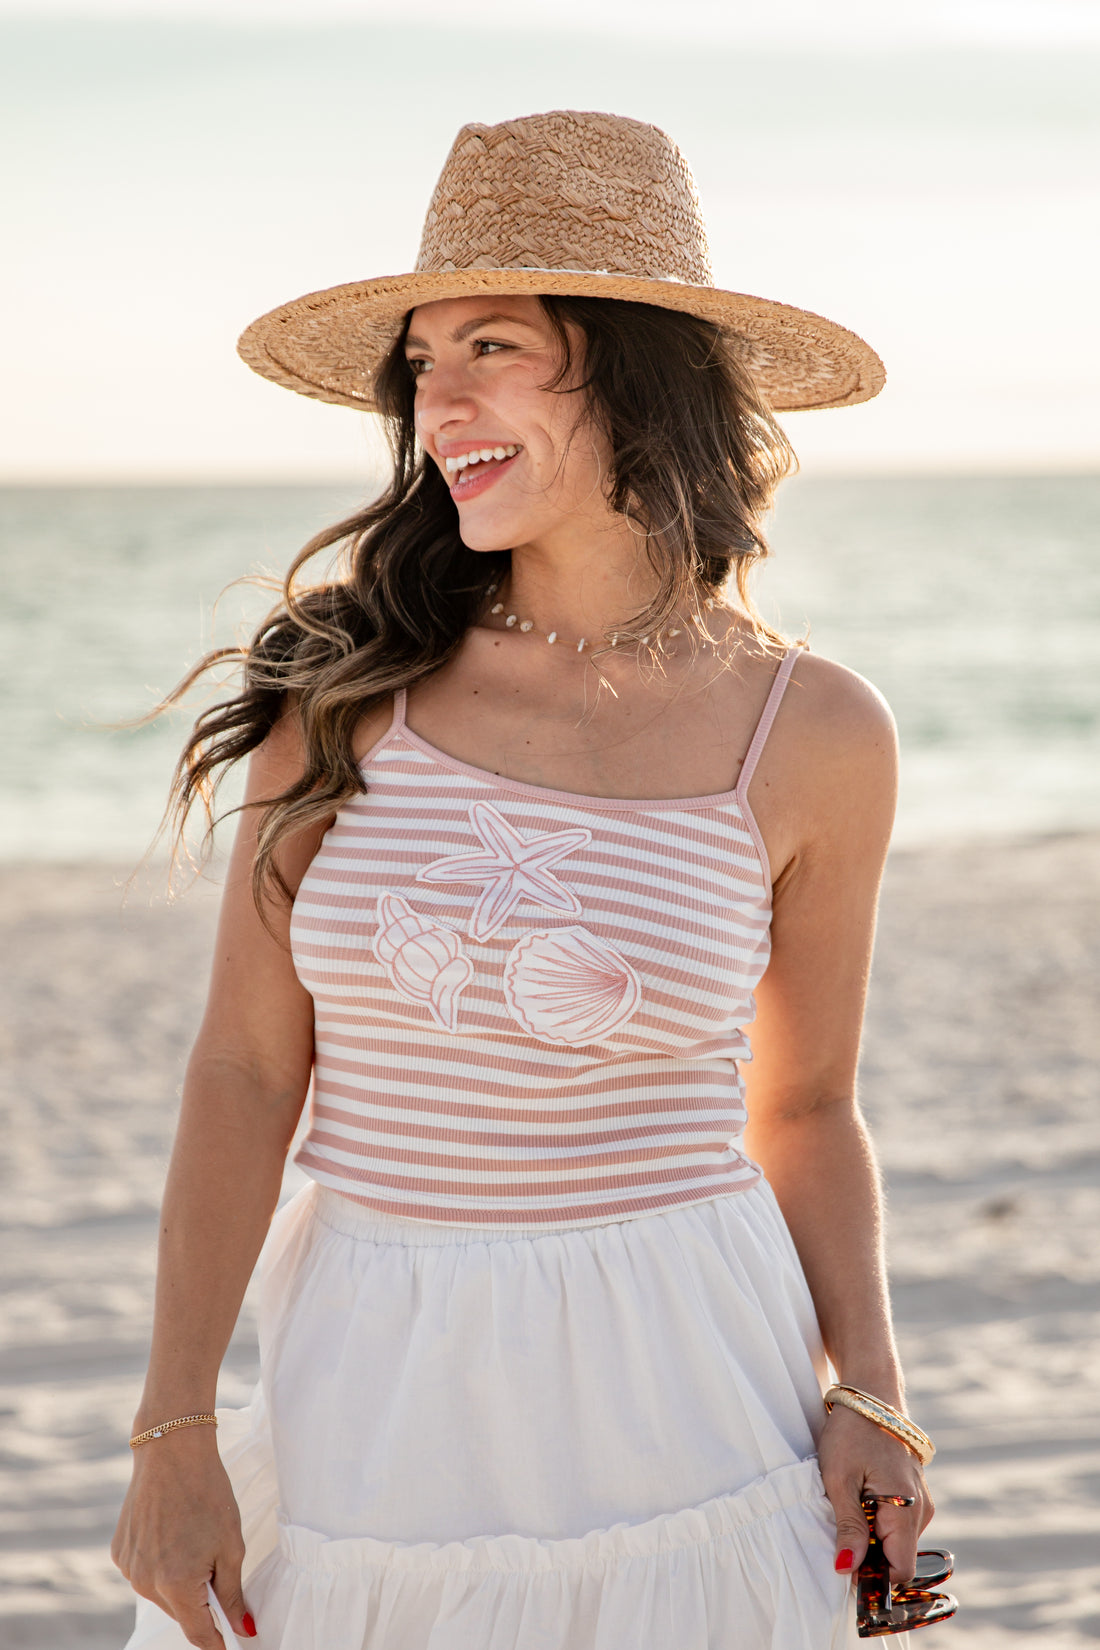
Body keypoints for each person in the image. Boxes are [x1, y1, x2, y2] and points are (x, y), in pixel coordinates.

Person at [112, 109, 937, 1650]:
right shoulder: (343, 689)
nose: (440, 400)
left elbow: (808, 1103)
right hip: (377, 1369)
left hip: (688, 1372)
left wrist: (870, 1384)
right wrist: (174, 1427)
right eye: (422, 361)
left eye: (492, 344)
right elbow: (240, 1067)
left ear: (632, 368)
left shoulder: (811, 728)